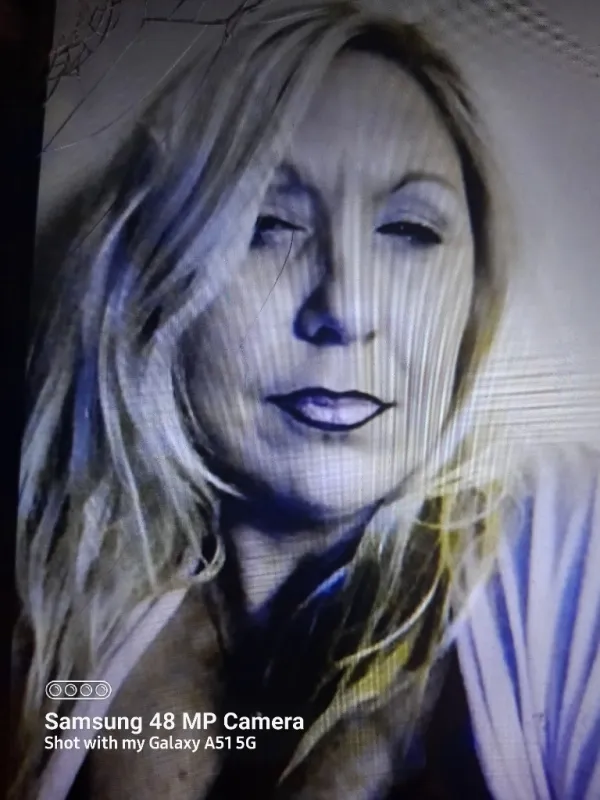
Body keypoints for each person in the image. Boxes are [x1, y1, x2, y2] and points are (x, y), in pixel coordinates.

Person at [13, 2, 600, 799]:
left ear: (473, 293)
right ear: (158, 280)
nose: (345, 308)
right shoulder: (47, 598)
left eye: (410, 230)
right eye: (268, 223)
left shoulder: (570, 539)